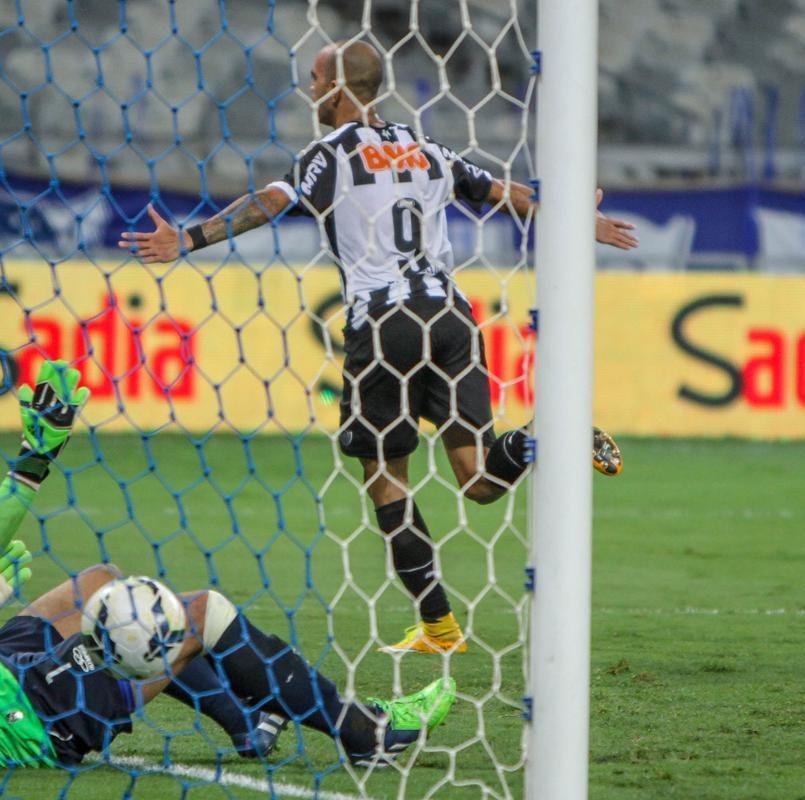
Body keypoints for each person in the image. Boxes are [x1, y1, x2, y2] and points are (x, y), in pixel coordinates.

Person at [119, 41, 637, 656]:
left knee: (387, 478)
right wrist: (575, 216)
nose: (310, 90)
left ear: (338, 88)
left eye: (315, 79)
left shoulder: (327, 155)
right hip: (451, 317)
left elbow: (268, 203)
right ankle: (543, 437)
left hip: (384, 321)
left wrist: (190, 237)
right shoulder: (428, 149)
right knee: (476, 479)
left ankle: (441, 630)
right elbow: (505, 190)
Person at [0, 360, 456, 770]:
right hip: (28, 717)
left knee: (98, 582)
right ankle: (364, 730)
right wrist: (35, 459)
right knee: (195, 613)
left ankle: (245, 725)